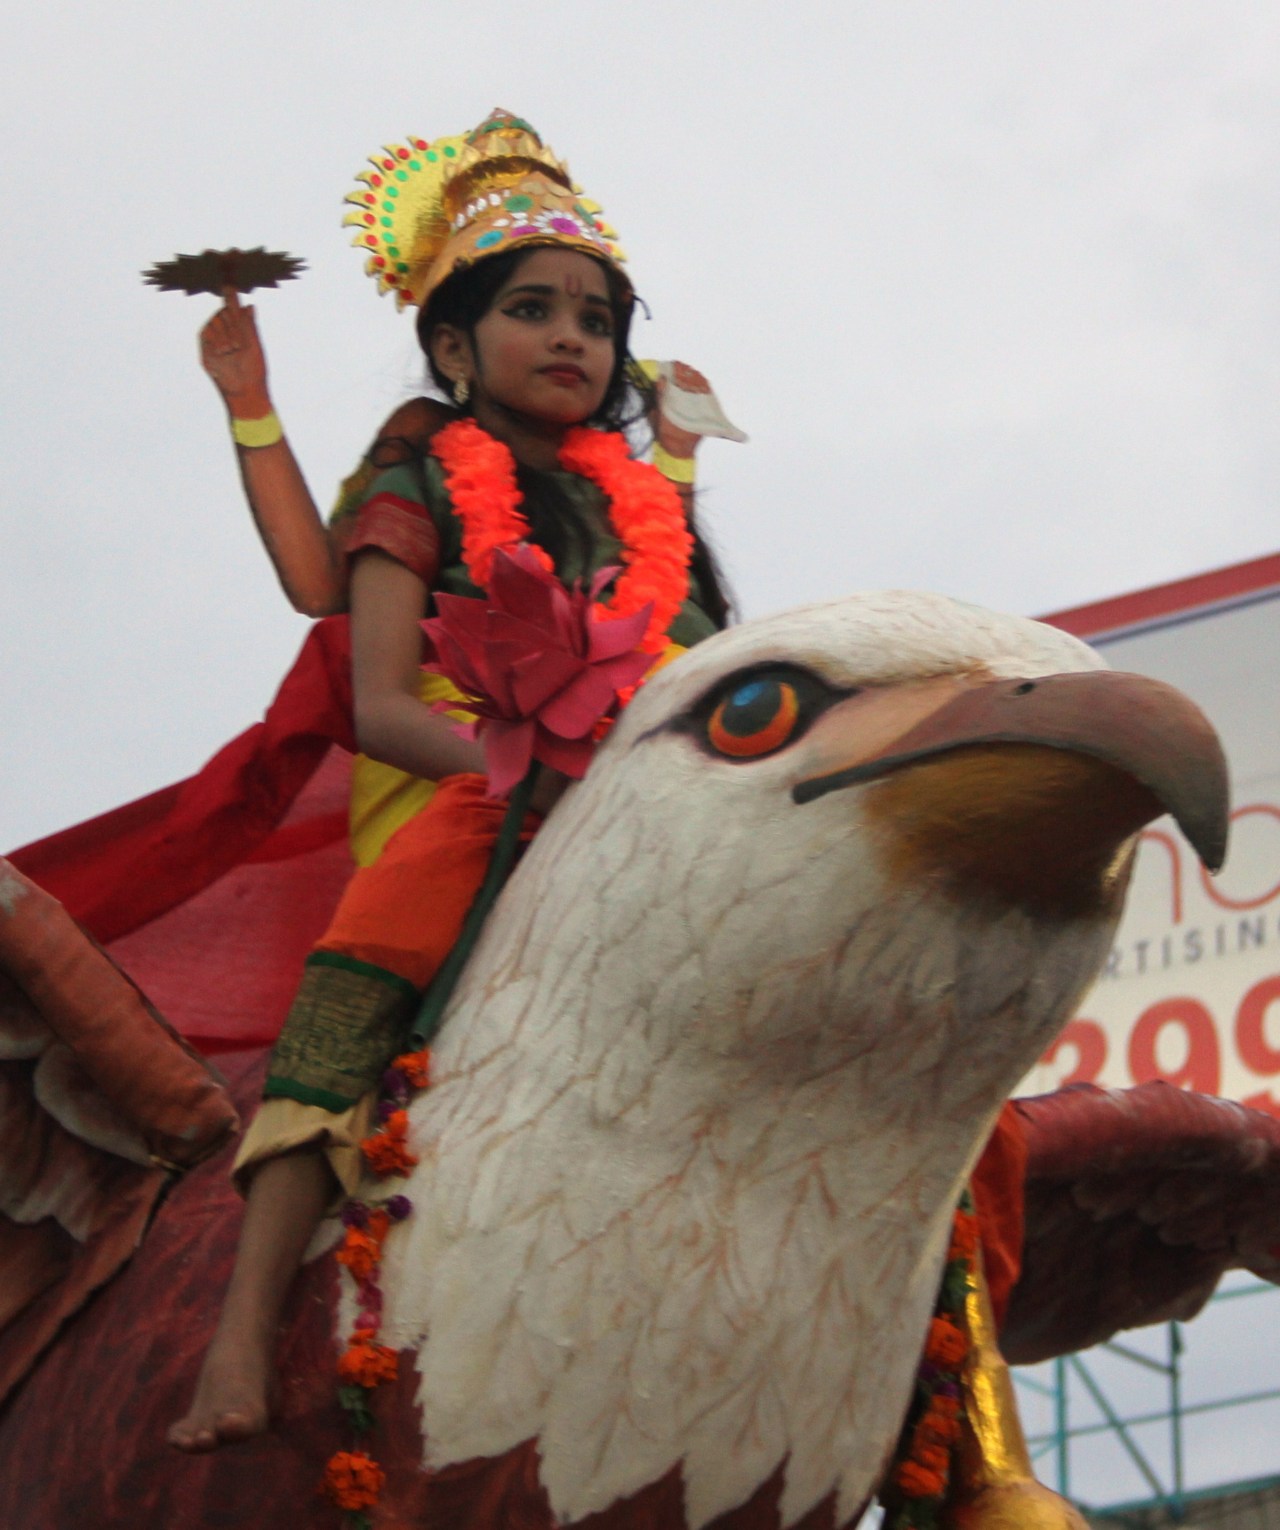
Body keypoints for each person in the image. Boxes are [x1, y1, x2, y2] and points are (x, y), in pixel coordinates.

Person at [169, 109, 733, 1452]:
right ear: (448, 346)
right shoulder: (422, 479)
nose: (573, 340)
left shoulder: (640, 506)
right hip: (458, 783)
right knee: (368, 962)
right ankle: (239, 1338)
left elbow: (702, 677)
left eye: (596, 318)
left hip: (645, 793)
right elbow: (374, 703)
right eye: (532, 309)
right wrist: (251, 400)